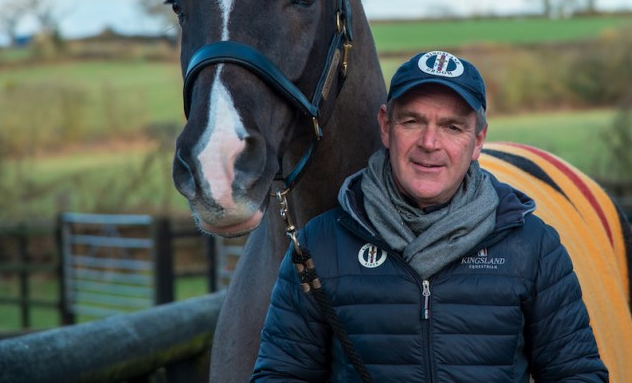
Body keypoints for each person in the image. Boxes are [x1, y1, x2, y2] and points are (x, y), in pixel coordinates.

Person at [251, 50, 608, 383]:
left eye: (452, 127)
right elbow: (281, 374)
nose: (430, 143)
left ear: (478, 139)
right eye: (412, 121)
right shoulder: (320, 245)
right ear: (386, 127)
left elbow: (577, 373)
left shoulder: (532, 246)